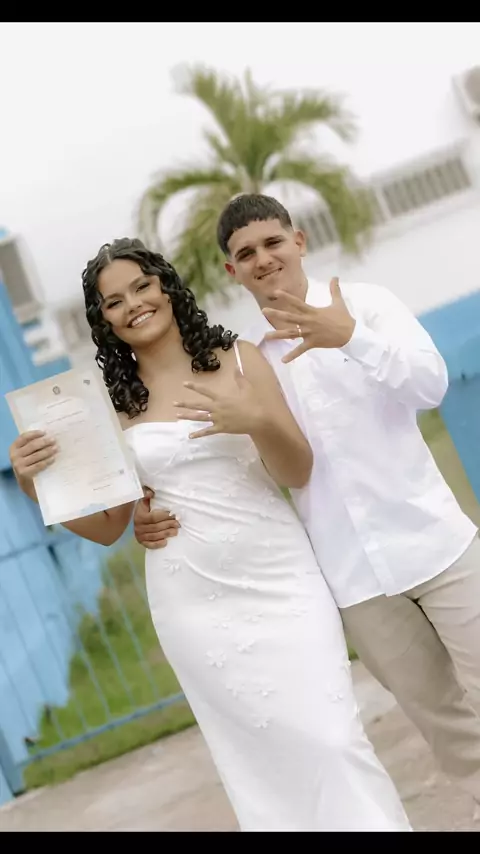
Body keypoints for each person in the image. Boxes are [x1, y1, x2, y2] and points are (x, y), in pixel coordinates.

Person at [8, 238, 411, 833]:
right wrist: (34, 485)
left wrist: (255, 420)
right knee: (259, 763)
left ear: (167, 287)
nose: (133, 304)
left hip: (280, 578)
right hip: (190, 599)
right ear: (103, 320)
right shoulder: (110, 408)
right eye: (114, 302)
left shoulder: (241, 359)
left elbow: (297, 470)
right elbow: (108, 527)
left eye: (142, 286)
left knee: (331, 737)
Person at [133, 193, 480, 811]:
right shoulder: (243, 361)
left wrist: (351, 338)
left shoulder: (366, 305)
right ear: (233, 271)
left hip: (438, 544)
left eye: (273, 242)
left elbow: (430, 385)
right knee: (446, 725)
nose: (263, 258)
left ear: (299, 241)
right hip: (355, 581)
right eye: (246, 253)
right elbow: (243, 465)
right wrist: (146, 501)